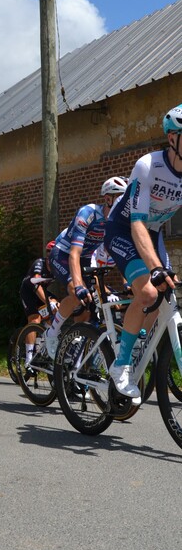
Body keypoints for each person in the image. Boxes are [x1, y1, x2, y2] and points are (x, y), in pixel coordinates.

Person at [104, 105, 182, 400]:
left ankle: (136, 342)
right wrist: (155, 267)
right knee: (149, 292)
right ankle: (121, 364)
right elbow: (137, 223)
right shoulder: (149, 165)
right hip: (124, 229)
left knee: (166, 291)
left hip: (154, 232)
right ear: (172, 138)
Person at [44, 176, 128, 358]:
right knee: (76, 292)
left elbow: (121, 254)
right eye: (121, 199)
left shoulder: (118, 222)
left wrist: (128, 283)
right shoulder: (88, 213)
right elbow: (74, 253)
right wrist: (79, 285)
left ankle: (81, 351)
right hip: (64, 254)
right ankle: (51, 332)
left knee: (95, 303)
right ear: (108, 199)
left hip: (86, 258)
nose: (124, 204)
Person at [19, 241, 58, 366]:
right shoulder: (39, 263)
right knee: (35, 319)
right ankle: (29, 357)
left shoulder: (59, 266)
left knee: (58, 307)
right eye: (48, 252)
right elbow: (36, 283)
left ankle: (44, 343)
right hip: (29, 290)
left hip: (43, 291)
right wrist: (47, 303)